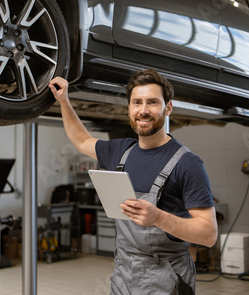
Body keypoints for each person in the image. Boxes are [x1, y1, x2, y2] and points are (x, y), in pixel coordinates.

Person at [49, 69, 217, 295]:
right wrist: (64, 100)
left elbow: (208, 234)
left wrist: (158, 217)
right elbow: (81, 140)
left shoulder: (187, 164)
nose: (143, 111)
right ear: (129, 108)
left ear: (168, 108)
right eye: (137, 102)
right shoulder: (120, 151)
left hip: (166, 279)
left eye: (153, 102)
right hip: (124, 275)